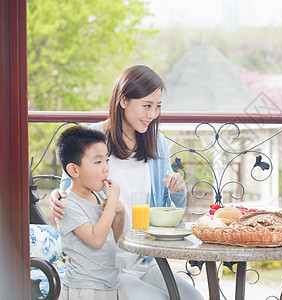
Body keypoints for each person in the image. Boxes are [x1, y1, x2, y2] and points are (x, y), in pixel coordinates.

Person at [50, 65, 204, 300]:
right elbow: (70, 190)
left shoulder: (157, 143)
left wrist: (177, 191)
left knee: (194, 298)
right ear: (123, 100)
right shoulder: (91, 139)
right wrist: (55, 196)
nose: (152, 115)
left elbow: (166, 210)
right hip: (107, 263)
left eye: (158, 107)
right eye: (147, 106)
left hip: (144, 257)